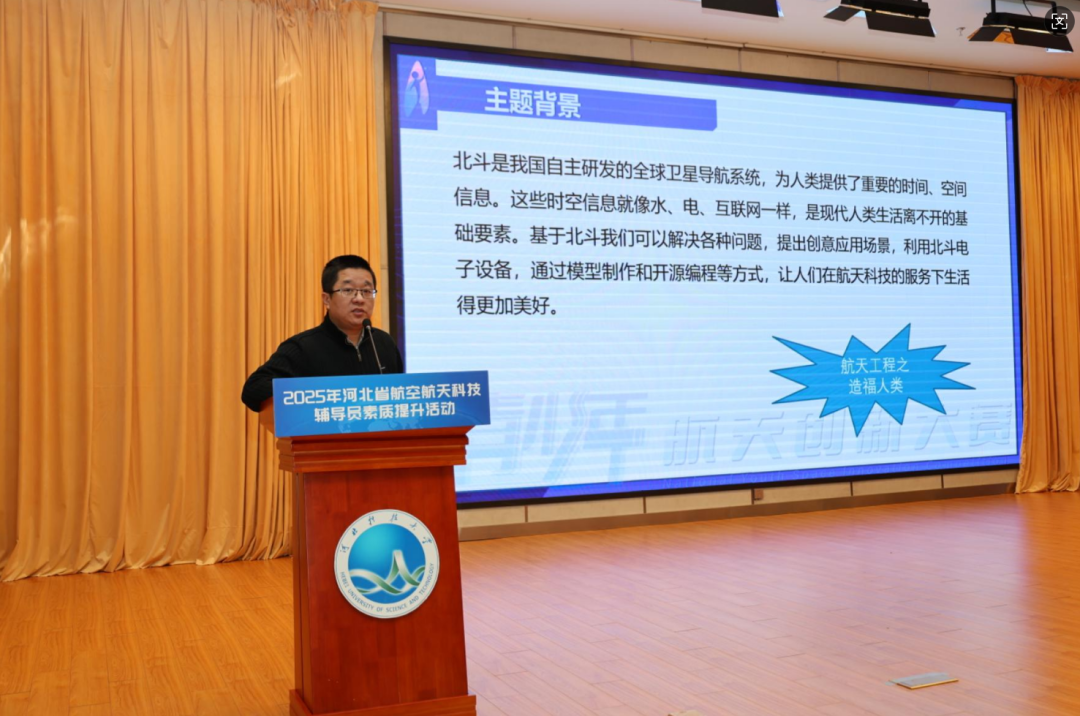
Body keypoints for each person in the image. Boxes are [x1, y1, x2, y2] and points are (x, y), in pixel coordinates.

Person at [241, 255, 403, 412]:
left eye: (367, 291)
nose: (359, 299)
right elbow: (253, 389)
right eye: (348, 290)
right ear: (327, 299)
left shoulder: (384, 343)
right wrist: (316, 393)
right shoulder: (302, 347)